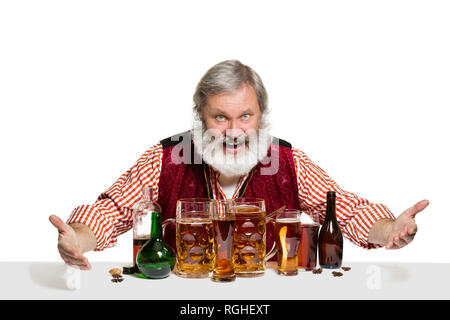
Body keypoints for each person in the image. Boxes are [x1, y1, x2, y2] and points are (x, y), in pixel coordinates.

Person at [49, 60, 429, 270]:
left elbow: (345, 209)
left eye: (245, 116)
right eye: (220, 118)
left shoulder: (287, 161)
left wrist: (389, 229)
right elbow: (110, 211)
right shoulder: (163, 159)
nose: (234, 131)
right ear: (199, 118)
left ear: (261, 117)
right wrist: (77, 240)